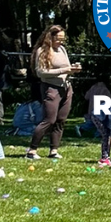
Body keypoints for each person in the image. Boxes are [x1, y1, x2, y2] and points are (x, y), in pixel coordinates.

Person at [25, 25, 82, 159]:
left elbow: (66, 67)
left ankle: (54, 150)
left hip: (66, 87)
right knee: (49, 120)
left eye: (63, 39)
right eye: (58, 39)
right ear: (50, 37)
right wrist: (64, 71)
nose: (61, 42)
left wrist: (73, 68)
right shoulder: (42, 51)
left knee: (60, 120)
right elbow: (41, 72)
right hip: (51, 88)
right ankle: (32, 150)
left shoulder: (62, 49)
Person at [84, 77, 111, 166]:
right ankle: (104, 158)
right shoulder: (109, 96)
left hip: (95, 113)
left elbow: (86, 97)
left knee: (106, 136)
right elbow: (110, 120)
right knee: (106, 136)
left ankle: (106, 157)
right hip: (98, 116)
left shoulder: (94, 88)